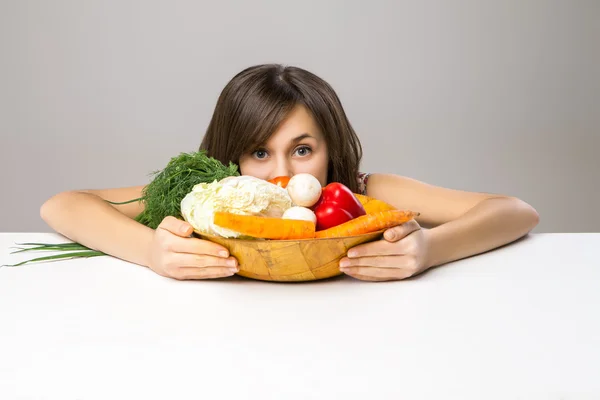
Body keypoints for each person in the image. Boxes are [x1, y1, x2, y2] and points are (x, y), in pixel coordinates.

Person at [40, 64, 540, 282]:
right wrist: (150, 251)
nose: (280, 173)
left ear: (330, 149)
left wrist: (430, 248)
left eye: (302, 150)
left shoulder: (364, 192)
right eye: (259, 152)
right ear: (230, 157)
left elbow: (516, 211)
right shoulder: (205, 197)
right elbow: (62, 205)